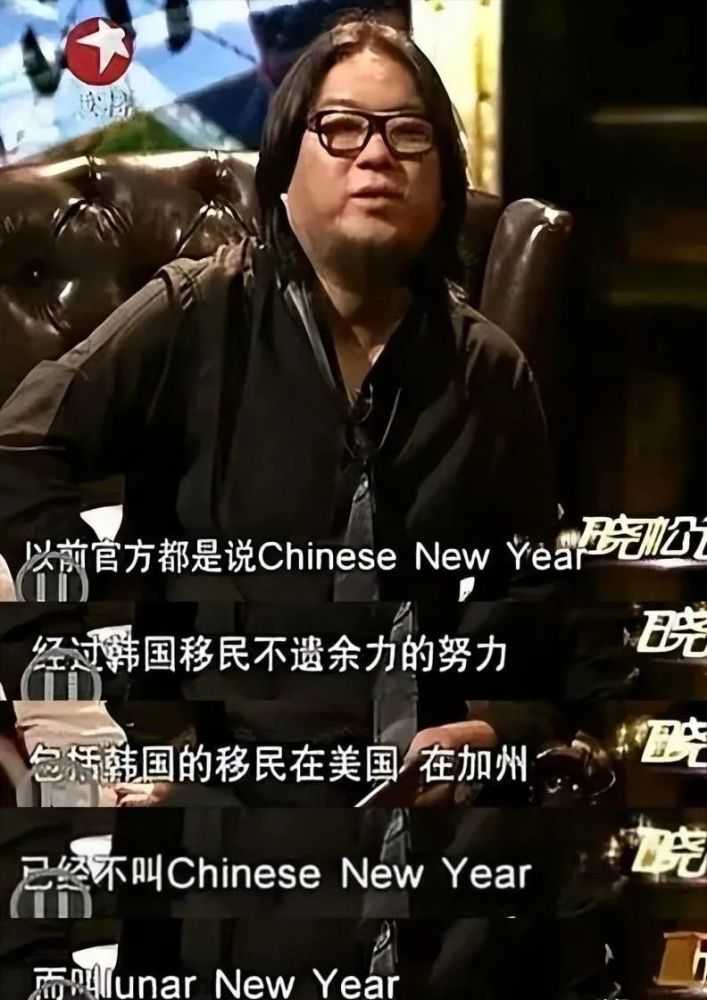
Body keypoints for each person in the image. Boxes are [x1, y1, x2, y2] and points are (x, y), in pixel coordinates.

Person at [0, 10, 593, 997]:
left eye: (408, 132)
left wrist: (493, 730)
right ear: (285, 167)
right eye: (342, 127)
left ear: (443, 179)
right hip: (217, 800)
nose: (376, 155)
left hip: (411, 810)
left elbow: (535, 611)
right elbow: (18, 454)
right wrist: (86, 670)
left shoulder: (488, 372)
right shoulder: (197, 311)